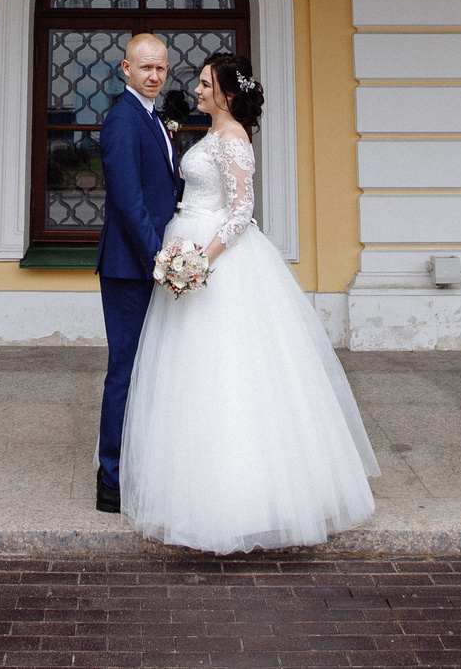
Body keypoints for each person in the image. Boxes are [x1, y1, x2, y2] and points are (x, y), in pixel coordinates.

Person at [119, 53, 379, 553]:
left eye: (204, 84)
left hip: (217, 260)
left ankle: (241, 497)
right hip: (190, 243)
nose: (194, 90)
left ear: (226, 94)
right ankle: (187, 484)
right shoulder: (212, 136)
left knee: (230, 372)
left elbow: (241, 213)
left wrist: (199, 260)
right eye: (196, 83)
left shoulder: (234, 139)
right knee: (187, 373)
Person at [93, 31, 184, 514]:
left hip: (147, 261)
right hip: (131, 268)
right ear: (125, 69)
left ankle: (138, 462)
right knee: (125, 370)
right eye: (145, 67)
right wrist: (161, 260)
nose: (154, 76)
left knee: (150, 369)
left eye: (161, 69)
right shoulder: (123, 121)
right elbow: (128, 204)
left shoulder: (150, 117)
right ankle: (110, 479)